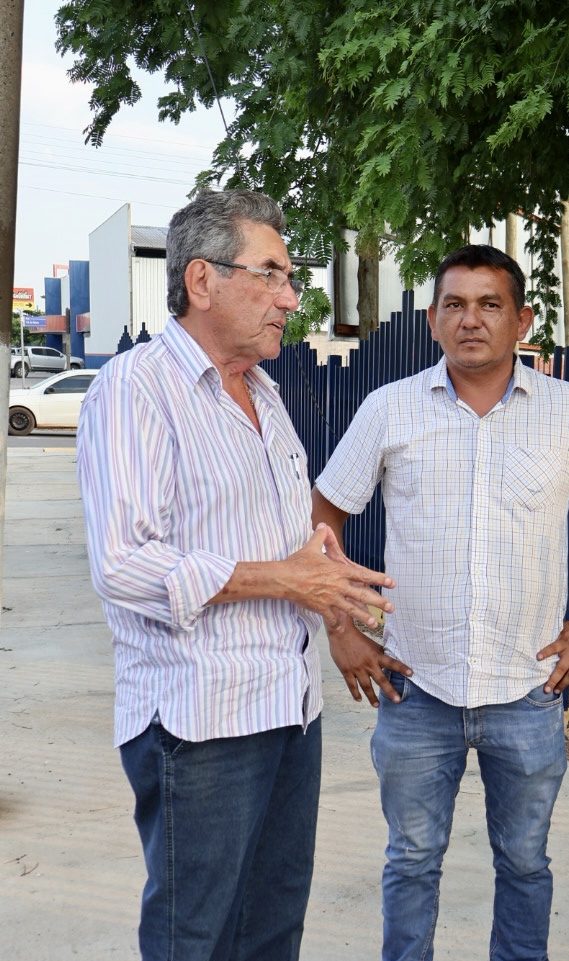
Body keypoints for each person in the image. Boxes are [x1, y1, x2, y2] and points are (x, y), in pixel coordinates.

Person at [76, 189, 403, 961]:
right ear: (202, 281)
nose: (292, 298)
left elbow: (296, 550)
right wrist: (289, 581)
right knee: (197, 937)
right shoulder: (135, 389)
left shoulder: (265, 393)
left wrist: (333, 600)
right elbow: (124, 563)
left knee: (270, 933)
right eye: (273, 274)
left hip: (289, 711)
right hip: (200, 721)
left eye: (292, 279)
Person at [312, 244, 569, 961]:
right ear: (434, 320)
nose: (472, 320)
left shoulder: (568, 412)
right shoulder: (389, 409)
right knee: (411, 860)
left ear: (522, 318)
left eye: (490, 304)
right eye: (456, 305)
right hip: (414, 686)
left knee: (526, 863)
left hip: (527, 688)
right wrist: (341, 627)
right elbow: (324, 516)